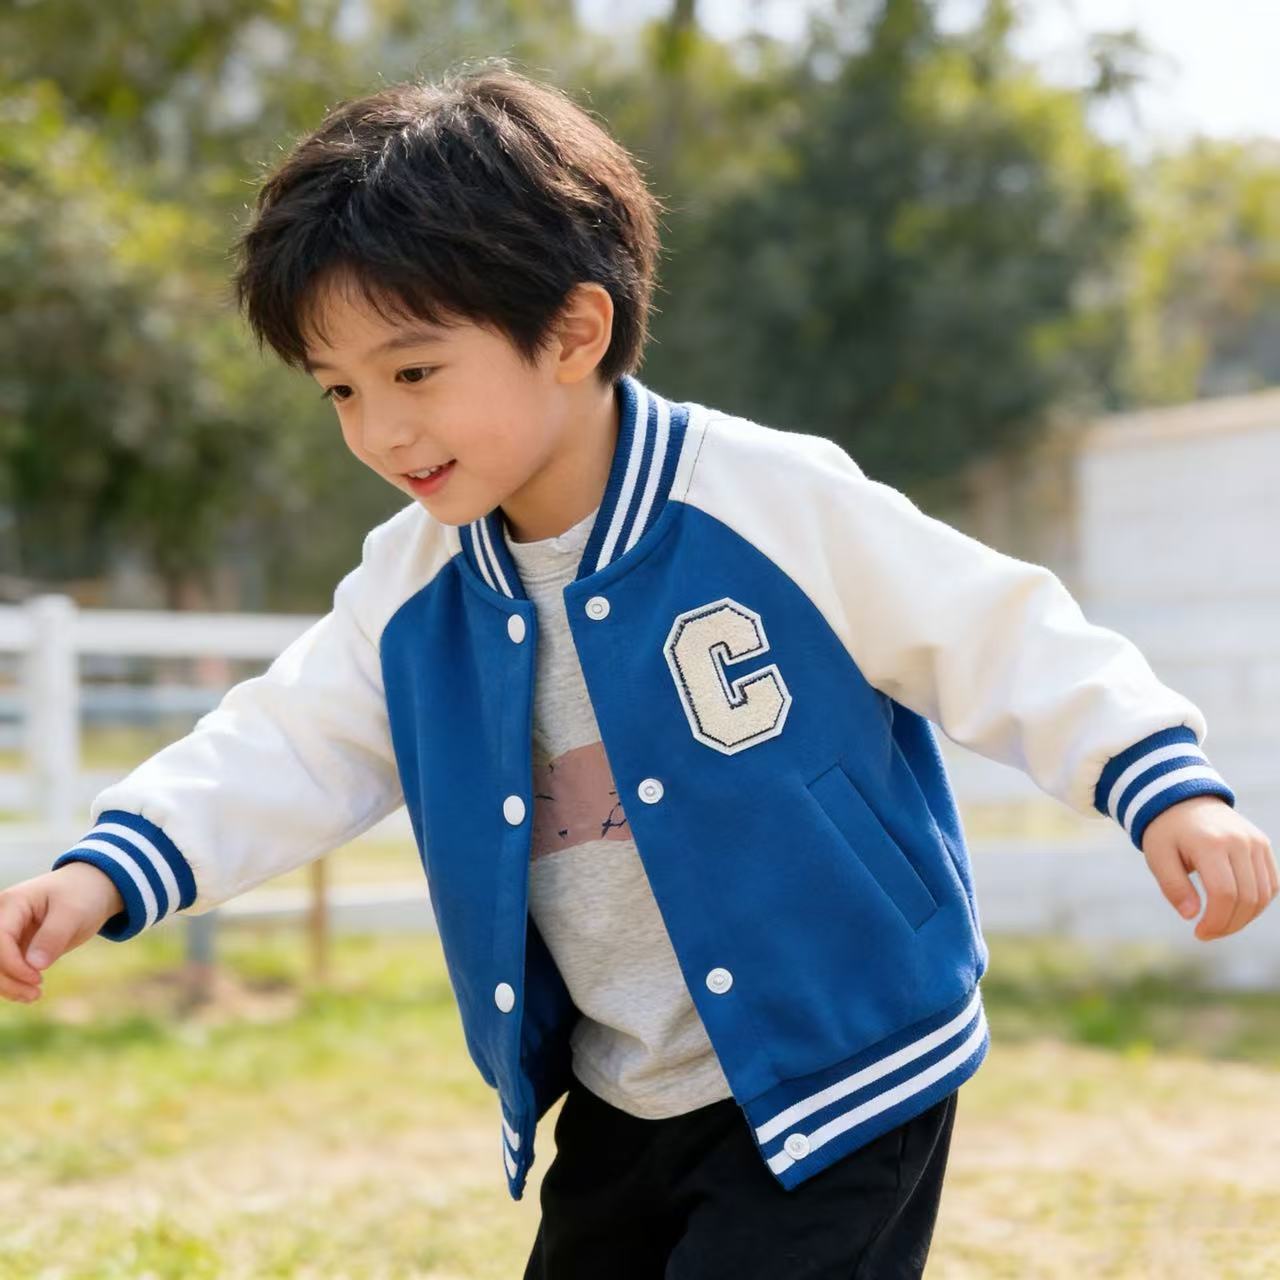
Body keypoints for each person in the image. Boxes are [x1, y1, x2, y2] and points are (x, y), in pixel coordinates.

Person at [1, 58, 1275, 1279]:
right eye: (338, 390)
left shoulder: (767, 500)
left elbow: (994, 628)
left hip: (841, 1058)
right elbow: (287, 742)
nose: (380, 428)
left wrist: (1157, 780)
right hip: (622, 1082)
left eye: (414, 370)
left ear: (572, 330)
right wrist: (106, 867)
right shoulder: (412, 586)